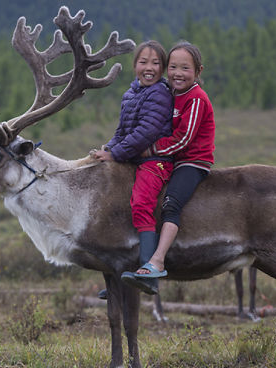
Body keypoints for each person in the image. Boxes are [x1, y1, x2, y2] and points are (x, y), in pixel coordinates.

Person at [121, 40, 216, 286]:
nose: (177, 73)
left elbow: (183, 140)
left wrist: (149, 150)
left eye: (185, 68)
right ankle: (139, 263)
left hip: (192, 162)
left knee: (170, 205)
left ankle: (158, 261)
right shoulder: (171, 92)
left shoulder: (196, 98)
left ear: (198, 71)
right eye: (173, 67)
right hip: (171, 160)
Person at [91, 40, 174, 295]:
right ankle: (120, 274)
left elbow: (145, 133)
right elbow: (122, 130)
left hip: (155, 161)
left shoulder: (160, 93)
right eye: (143, 62)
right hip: (134, 158)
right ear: (134, 65)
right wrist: (108, 148)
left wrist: (116, 153)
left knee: (140, 204)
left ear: (163, 69)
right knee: (117, 204)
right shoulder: (131, 93)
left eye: (156, 63)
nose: (149, 68)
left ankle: (149, 273)